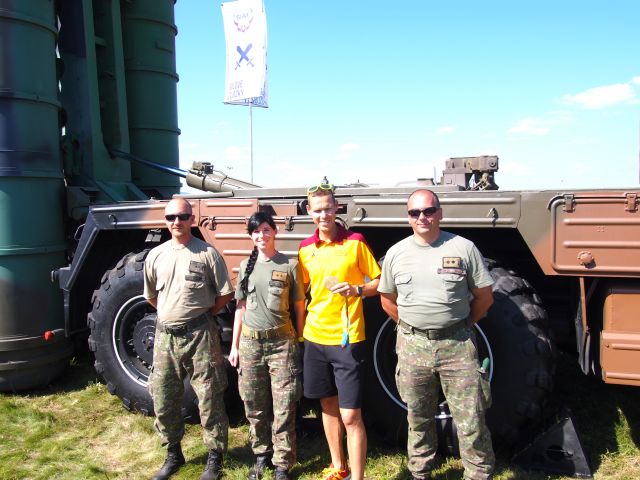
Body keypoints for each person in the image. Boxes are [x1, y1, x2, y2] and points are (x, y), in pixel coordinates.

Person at [378, 189, 495, 480]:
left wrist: (461, 325)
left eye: (428, 210)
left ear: (440, 213)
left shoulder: (463, 248)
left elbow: (484, 297)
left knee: (471, 419)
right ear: (408, 217)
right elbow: (387, 299)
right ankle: (420, 472)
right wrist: (411, 328)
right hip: (412, 346)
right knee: (417, 418)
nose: (422, 217)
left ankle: (478, 474)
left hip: (457, 344)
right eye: (415, 212)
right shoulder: (396, 253)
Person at [144, 197, 234, 480]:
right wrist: (172, 315)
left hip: (200, 335)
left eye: (182, 216)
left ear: (192, 219)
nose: (177, 222)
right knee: (163, 397)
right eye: (171, 217)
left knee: (209, 396)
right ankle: (173, 453)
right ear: (165, 221)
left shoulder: (207, 253)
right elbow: (151, 296)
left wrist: (200, 316)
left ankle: (215, 457)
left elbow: (225, 294)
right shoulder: (156, 255)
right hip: (165, 337)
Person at [298, 181, 381, 480]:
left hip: (347, 339)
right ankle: (339, 467)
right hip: (315, 338)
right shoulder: (305, 249)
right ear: (310, 212)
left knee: (351, 415)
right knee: (328, 406)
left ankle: (357, 477)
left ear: (337, 208)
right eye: (317, 210)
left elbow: (379, 282)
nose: (324, 215)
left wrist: (358, 289)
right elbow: (302, 292)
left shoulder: (355, 242)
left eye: (328, 209)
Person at [228, 211, 306, 480]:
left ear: (275, 231)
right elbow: (240, 308)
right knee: (254, 403)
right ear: (251, 236)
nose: (261, 235)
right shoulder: (245, 267)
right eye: (256, 231)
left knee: (284, 405)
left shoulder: (289, 265)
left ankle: (282, 463)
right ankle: (261, 455)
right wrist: (234, 346)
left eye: (266, 230)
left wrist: (300, 338)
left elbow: (299, 307)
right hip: (250, 344)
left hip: (281, 344)